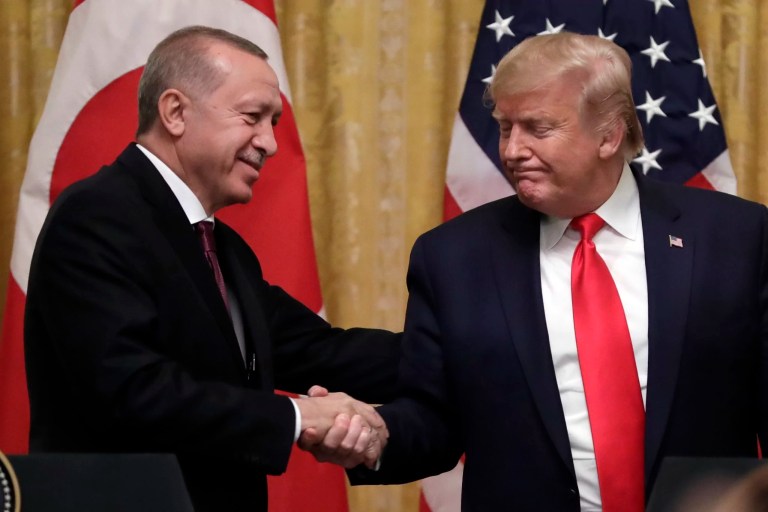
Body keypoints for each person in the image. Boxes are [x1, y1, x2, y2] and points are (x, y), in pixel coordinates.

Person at [333, 32, 768, 510]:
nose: (512, 150)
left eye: (537, 129)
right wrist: (375, 438)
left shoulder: (737, 237)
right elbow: (434, 421)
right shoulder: (453, 258)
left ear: (609, 134)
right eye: (504, 127)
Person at [24, 26, 399, 512]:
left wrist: (481, 351)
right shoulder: (96, 216)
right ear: (176, 112)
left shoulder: (223, 247)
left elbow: (322, 350)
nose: (270, 143)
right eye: (252, 117)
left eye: (274, 122)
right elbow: (132, 391)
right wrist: (298, 417)